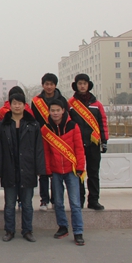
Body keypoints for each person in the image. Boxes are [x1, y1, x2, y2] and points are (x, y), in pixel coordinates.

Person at [0, 93, 46, 242]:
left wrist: (39, 170)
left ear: (24, 105)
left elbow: (38, 149)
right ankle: (9, 231)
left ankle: (27, 230)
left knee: (27, 204)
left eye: (20, 103)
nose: (17, 106)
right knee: (9, 204)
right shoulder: (3, 125)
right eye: (14, 103)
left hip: (27, 168)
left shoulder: (33, 124)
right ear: (9, 105)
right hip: (9, 169)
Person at [42, 99, 86, 246]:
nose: (55, 113)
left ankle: (78, 232)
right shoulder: (46, 129)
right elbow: (46, 152)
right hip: (55, 171)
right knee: (58, 202)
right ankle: (62, 227)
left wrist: (80, 167)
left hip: (71, 170)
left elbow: (79, 148)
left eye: (58, 110)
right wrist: (48, 170)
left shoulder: (73, 126)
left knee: (75, 202)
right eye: (52, 110)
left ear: (63, 111)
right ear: (49, 112)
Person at [68, 73, 109, 210]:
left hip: (93, 143)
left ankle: (94, 200)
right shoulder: (71, 104)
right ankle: (79, 200)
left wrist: (104, 140)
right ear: (76, 86)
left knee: (93, 173)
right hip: (77, 144)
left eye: (84, 83)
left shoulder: (97, 104)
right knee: (78, 173)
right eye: (80, 83)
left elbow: (102, 122)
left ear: (88, 85)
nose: (82, 86)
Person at [31, 73, 68, 211]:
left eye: (51, 84)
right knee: (43, 170)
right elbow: (34, 120)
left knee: (57, 171)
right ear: (43, 85)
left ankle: (56, 199)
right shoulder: (36, 101)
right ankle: (44, 200)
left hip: (58, 140)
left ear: (55, 85)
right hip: (42, 139)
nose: (49, 86)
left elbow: (66, 119)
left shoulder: (62, 100)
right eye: (46, 84)